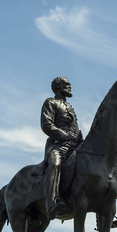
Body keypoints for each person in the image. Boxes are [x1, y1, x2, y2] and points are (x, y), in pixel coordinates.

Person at [41, 76, 82, 220]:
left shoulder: (70, 107)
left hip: (75, 145)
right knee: (55, 164)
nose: (70, 86)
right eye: (67, 84)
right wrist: (64, 135)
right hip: (59, 144)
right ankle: (51, 202)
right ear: (58, 87)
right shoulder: (50, 102)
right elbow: (46, 124)